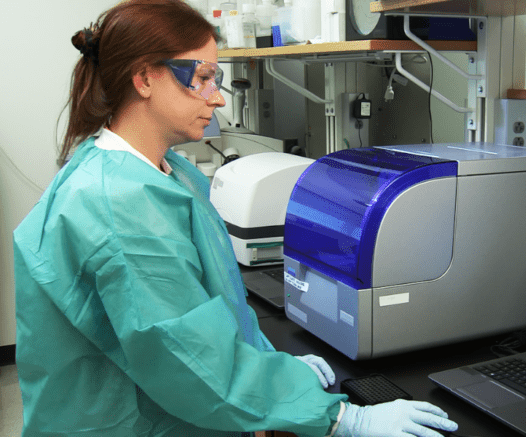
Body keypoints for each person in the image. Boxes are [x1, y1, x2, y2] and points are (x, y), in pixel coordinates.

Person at [13, 1, 458, 436]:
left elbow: (214, 310)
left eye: (217, 78)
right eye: (201, 78)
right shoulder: (118, 204)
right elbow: (185, 357)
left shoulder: (171, 173)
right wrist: (343, 420)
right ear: (145, 77)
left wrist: (271, 370)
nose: (218, 96)